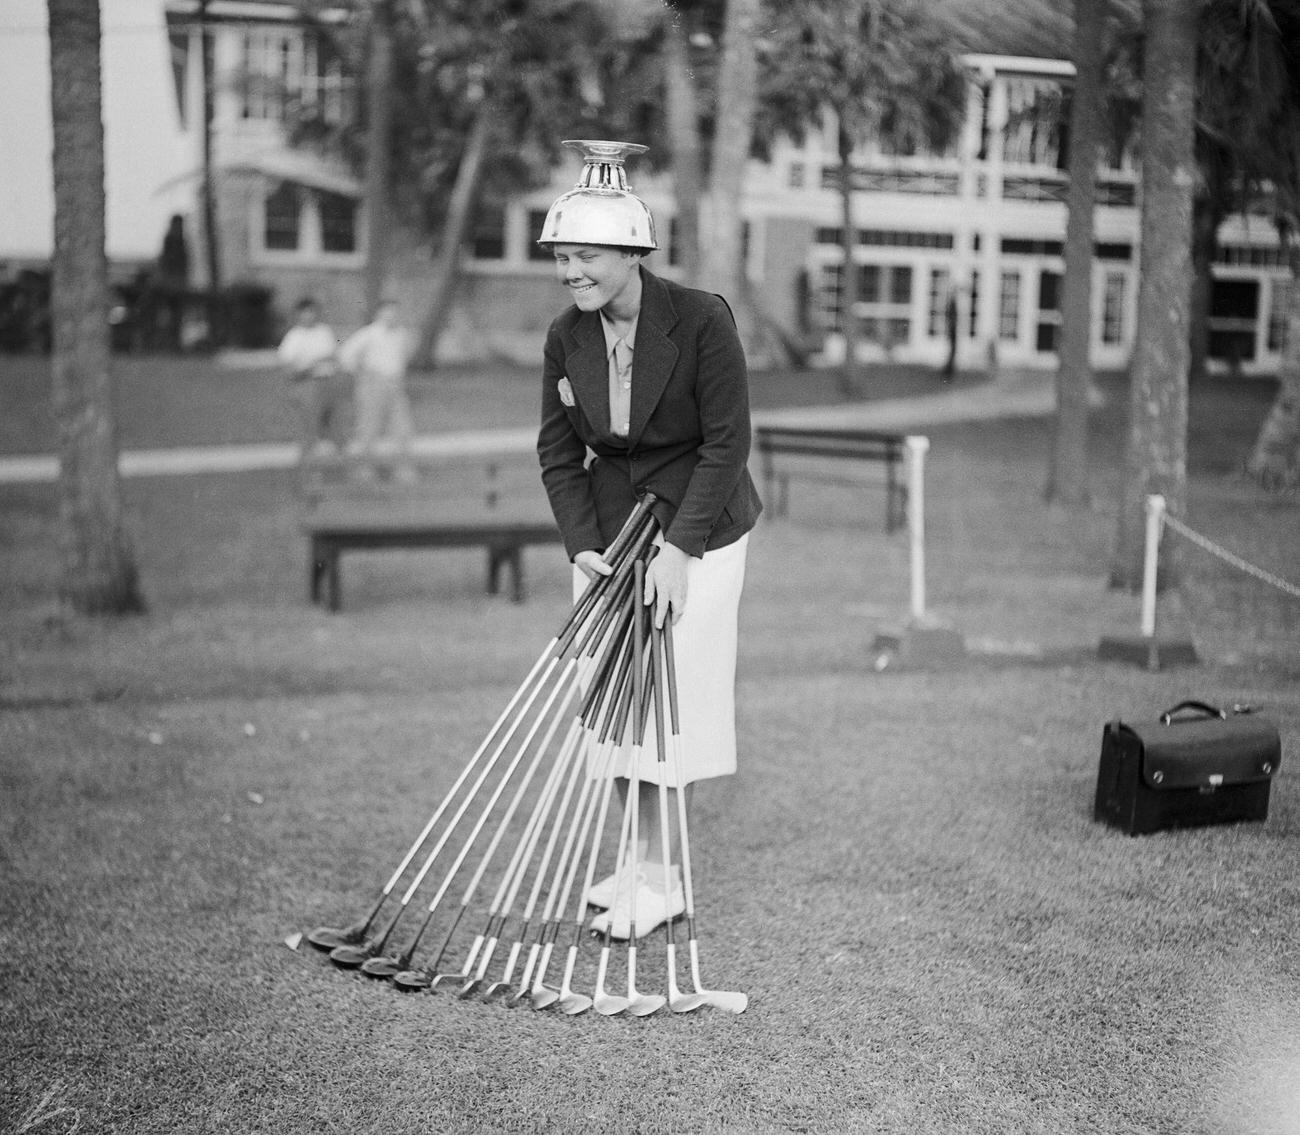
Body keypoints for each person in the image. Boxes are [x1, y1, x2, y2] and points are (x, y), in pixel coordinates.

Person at [535, 140, 762, 939]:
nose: (572, 270)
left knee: (675, 699)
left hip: (701, 528)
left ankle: (665, 878)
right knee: (613, 700)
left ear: (633, 251)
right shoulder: (567, 335)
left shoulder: (701, 320)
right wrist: (580, 546)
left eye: (587, 254)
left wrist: (677, 551)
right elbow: (558, 451)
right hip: (610, 536)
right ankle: (636, 859)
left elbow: (727, 444)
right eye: (562, 255)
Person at [338, 298, 418, 484]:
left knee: (402, 428)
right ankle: (364, 469)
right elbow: (345, 355)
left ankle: (403, 469)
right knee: (368, 428)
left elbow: (403, 357)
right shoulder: (368, 334)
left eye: (394, 312)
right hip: (372, 386)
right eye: (387, 312)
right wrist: (363, 374)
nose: (391, 316)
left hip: (395, 386)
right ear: (379, 314)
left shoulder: (401, 335)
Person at [276, 297, 348, 475]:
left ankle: (340, 468)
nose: (309, 316)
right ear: (298, 315)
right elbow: (289, 370)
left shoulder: (324, 332)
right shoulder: (294, 337)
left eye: (312, 312)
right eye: (305, 313)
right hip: (308, 385)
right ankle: (308, 470)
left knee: (335, 427)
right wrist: (313, 364)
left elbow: (335, 356)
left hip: (328, 383)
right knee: (309, 430)